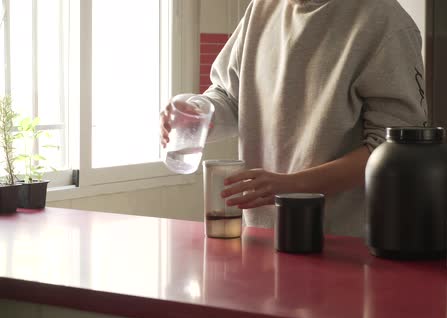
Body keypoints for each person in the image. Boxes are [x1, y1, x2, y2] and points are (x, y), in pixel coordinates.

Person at [161, 0, 427, 237]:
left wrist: (291, 186)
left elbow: (393, 150)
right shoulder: (261, 9)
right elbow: (231, 97)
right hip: (263, 235)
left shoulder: (384, 21)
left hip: (343, 242)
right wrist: (198, 114)